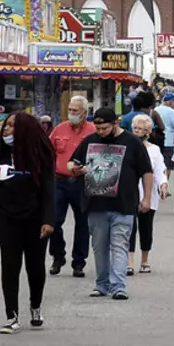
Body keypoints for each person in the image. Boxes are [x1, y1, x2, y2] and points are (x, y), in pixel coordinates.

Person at [0, 112, 55, 334]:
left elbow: (49, 191)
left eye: (12, 126)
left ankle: (36, 306)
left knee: (35, 267)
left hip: (36, 219)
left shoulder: (40, 155)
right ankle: (11, 316)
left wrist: (48, 220)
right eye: (6, 126)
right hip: (7, 218)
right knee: (10, 267)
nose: (7, 130)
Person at [68, 107, 153, 300]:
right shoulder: (90, 141)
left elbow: (147, 172)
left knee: (120, 245)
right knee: (99, 246)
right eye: (98, 128)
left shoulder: (132, 142)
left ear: (115, 124)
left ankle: (118, 285)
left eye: (104, 128)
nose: (100, 132)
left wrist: (146, 198)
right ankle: (101, 284)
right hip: (95, 204)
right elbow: (71, 163)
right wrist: (76, 169)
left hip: (124, 205)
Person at [48, 96, 96, 277]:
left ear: (84, 113)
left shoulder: (92, 131)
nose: (71, 114)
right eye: (70, 110)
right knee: (53, 221)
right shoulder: (60, 129)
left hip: (82, 182)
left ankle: (79, 262)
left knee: (82, 223)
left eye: (75, 111)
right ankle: (58, 255)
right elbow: (48, 152)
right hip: (59, 181)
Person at [127, 115, 168, 275]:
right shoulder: (128, 146)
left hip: (148, 192)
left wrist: (163, 184)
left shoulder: (154, 150)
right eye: (136, 128)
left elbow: (159, 170)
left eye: (143, 129)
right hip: (129, 192)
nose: (138, 131)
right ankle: (129, 261)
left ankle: (145, 260)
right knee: (128, 228)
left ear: (149, 132)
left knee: (146, 228)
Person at [154, 93, 174, 178]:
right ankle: (164, 187)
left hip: (156, 141)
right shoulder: (172, 112)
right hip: (168, 142)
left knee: (156, 166)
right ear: (169, 102)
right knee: (167, 166)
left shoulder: (156, 109)